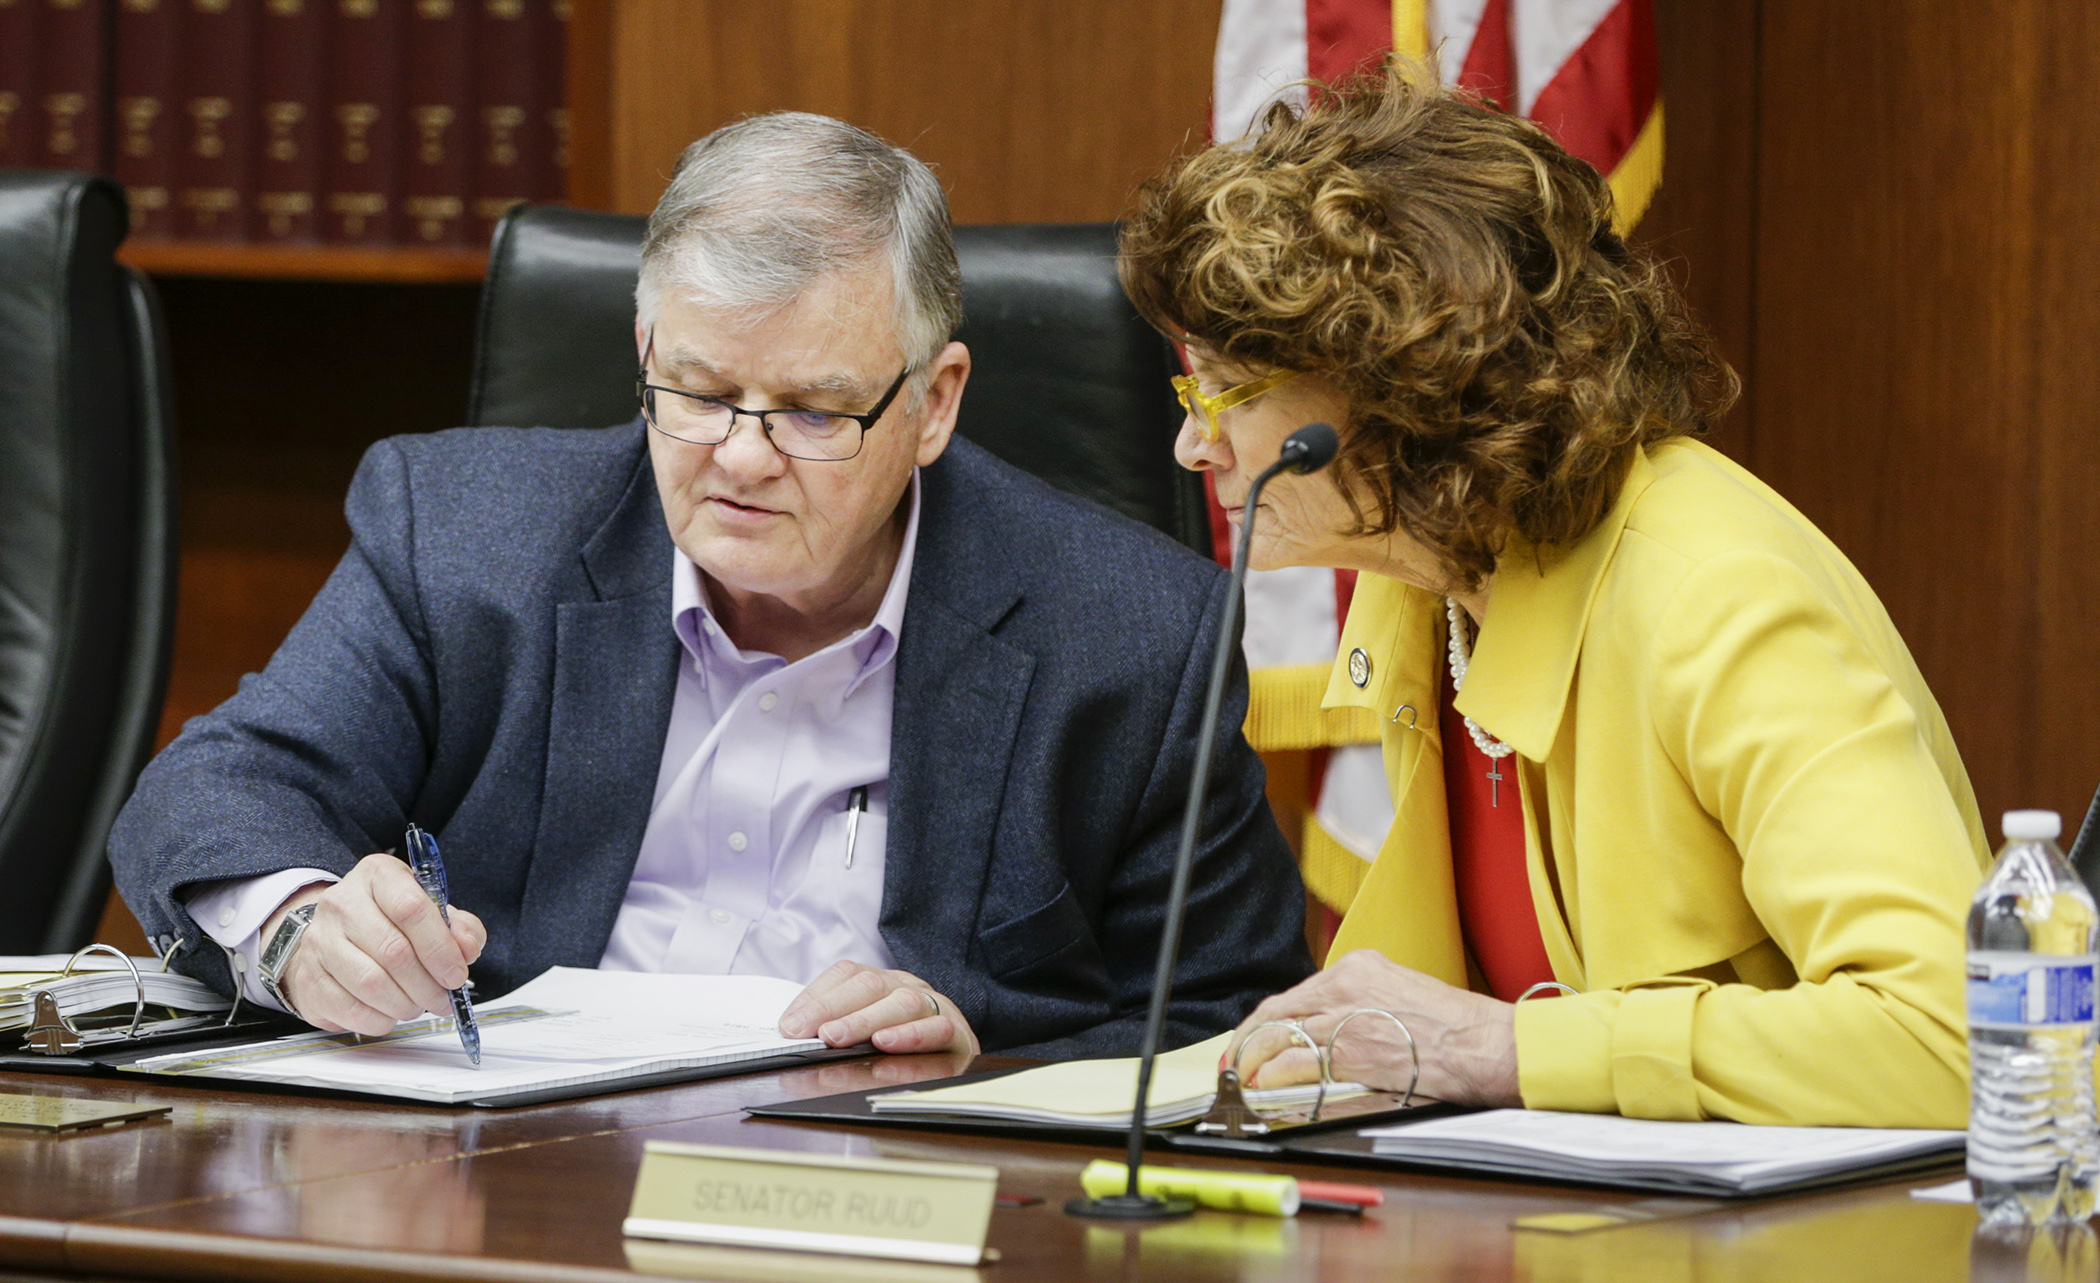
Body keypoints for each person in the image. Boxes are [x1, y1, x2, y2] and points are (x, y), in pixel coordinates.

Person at [109, 111, 1312, 1060]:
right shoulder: (463, 534)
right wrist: (303, 925)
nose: (739, 455)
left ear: (934, 401)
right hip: (504, 1185)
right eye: (697, 390)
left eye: (810, 409)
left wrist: (983, 1058)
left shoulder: (1133, 629)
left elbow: (1222, 1017)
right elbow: (220, 787)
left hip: (889, 1211)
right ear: (645, 352)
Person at [1116, 66, 1989, 1126]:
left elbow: (1954, 1032)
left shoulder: (1716, 594)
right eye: (1187, 388)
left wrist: (1506, 1050)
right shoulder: (1423, 586)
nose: (1190, 441)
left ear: (1402, 381)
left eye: (1223, 392)